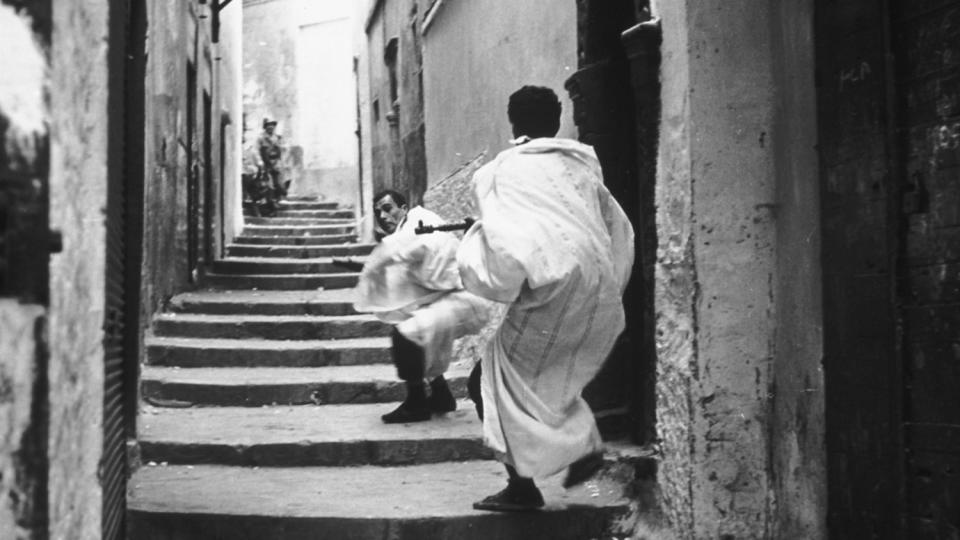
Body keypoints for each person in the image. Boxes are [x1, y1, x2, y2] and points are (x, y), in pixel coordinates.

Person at [456, 86, 635, 511]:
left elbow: (504, 246)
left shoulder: (500, 171)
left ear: (513, 123)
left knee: (490, 381)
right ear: (557, 122)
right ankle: (572, 449)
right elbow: (616, 226)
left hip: (550, 288)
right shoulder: (582, 164)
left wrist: (473, 243)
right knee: (547, 380)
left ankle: (532, 481)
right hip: (597, 285)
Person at [350, 190, 495, 424]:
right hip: (449, 299)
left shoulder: (421, 221)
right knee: (419, 333)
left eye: (388, 208)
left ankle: (416, 402)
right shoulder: (403, 233)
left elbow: (432, 257)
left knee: (405, 335)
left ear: (404, 208)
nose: (382, 215)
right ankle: (441, 396)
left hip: (465, 298)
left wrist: (396, 256)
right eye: (378, 212)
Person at [257, 118, 286, 199]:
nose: (270, 127)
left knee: (279, 181)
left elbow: (280, 151)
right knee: (268, 183)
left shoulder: (277, 137)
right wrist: (261, 163)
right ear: (265, 127)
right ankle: (270, 202)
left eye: (272, 125)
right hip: (266, 162)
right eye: (268, 125)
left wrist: (279, 161)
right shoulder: (261, 138)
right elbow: (259, 151)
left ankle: (279, 198)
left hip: (276, 162)